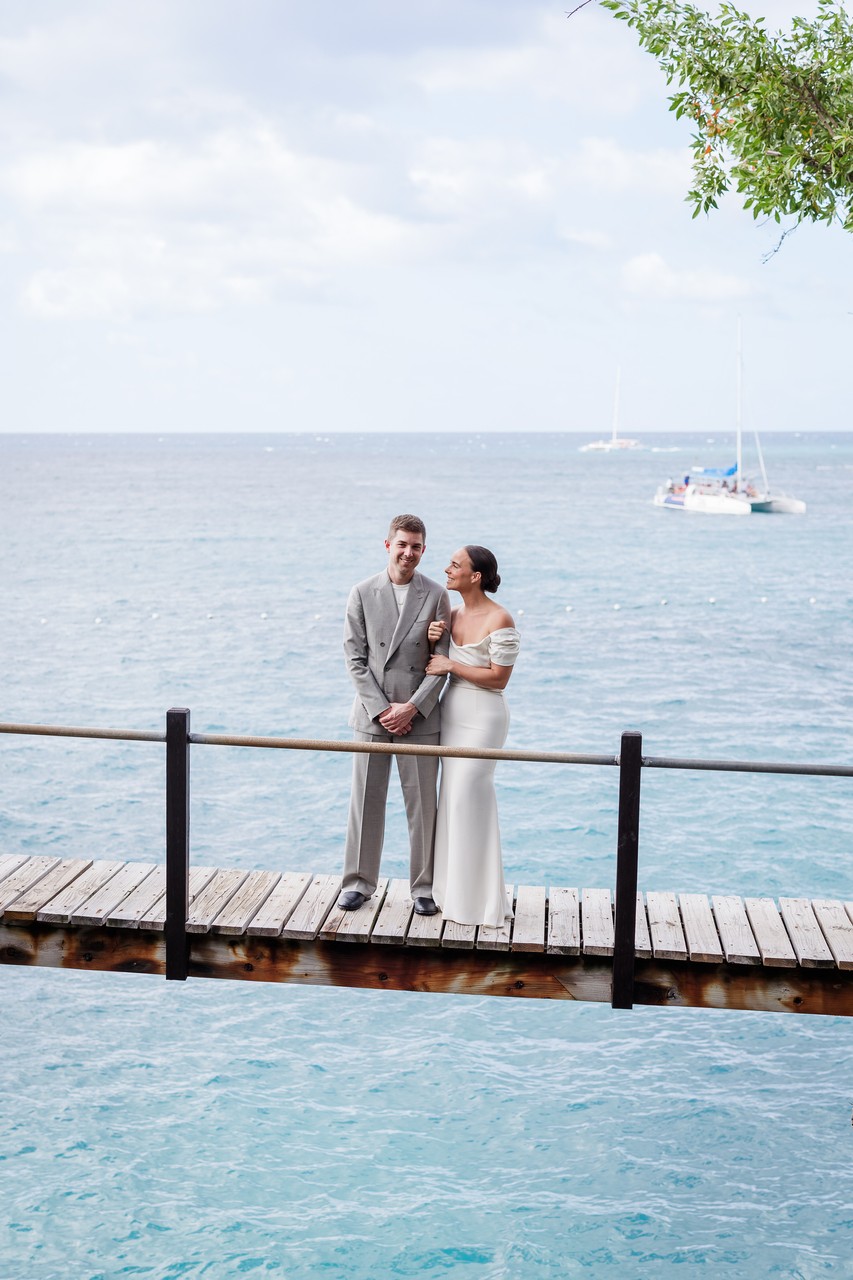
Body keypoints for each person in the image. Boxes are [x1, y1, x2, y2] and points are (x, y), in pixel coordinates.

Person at [338, 515, 451, 914]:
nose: (408, 552)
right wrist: (384, 709)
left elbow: (443, 661)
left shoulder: (436, 595)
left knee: (423, 806)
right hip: (373, 715)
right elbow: (355, 659)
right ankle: (357, 882)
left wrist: (413, 707)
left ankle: (423, 888)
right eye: (402, 544)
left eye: (416, 546)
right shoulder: (362, 592)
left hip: (418, 717)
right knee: (366, 801)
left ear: (423, 550)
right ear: (387, 545)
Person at [424, 545, 519, 927]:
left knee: (469, 796)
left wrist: (451, 663)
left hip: (484, 716)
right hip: (452, 713)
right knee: (451, 799)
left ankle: (479, 903)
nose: (447, 569)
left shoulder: (500, 618)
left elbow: (499, 677)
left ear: (475, 576)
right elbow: (432, 656)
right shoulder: (451, 613)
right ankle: (450, 893)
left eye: (455, 565)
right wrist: (434, 637)